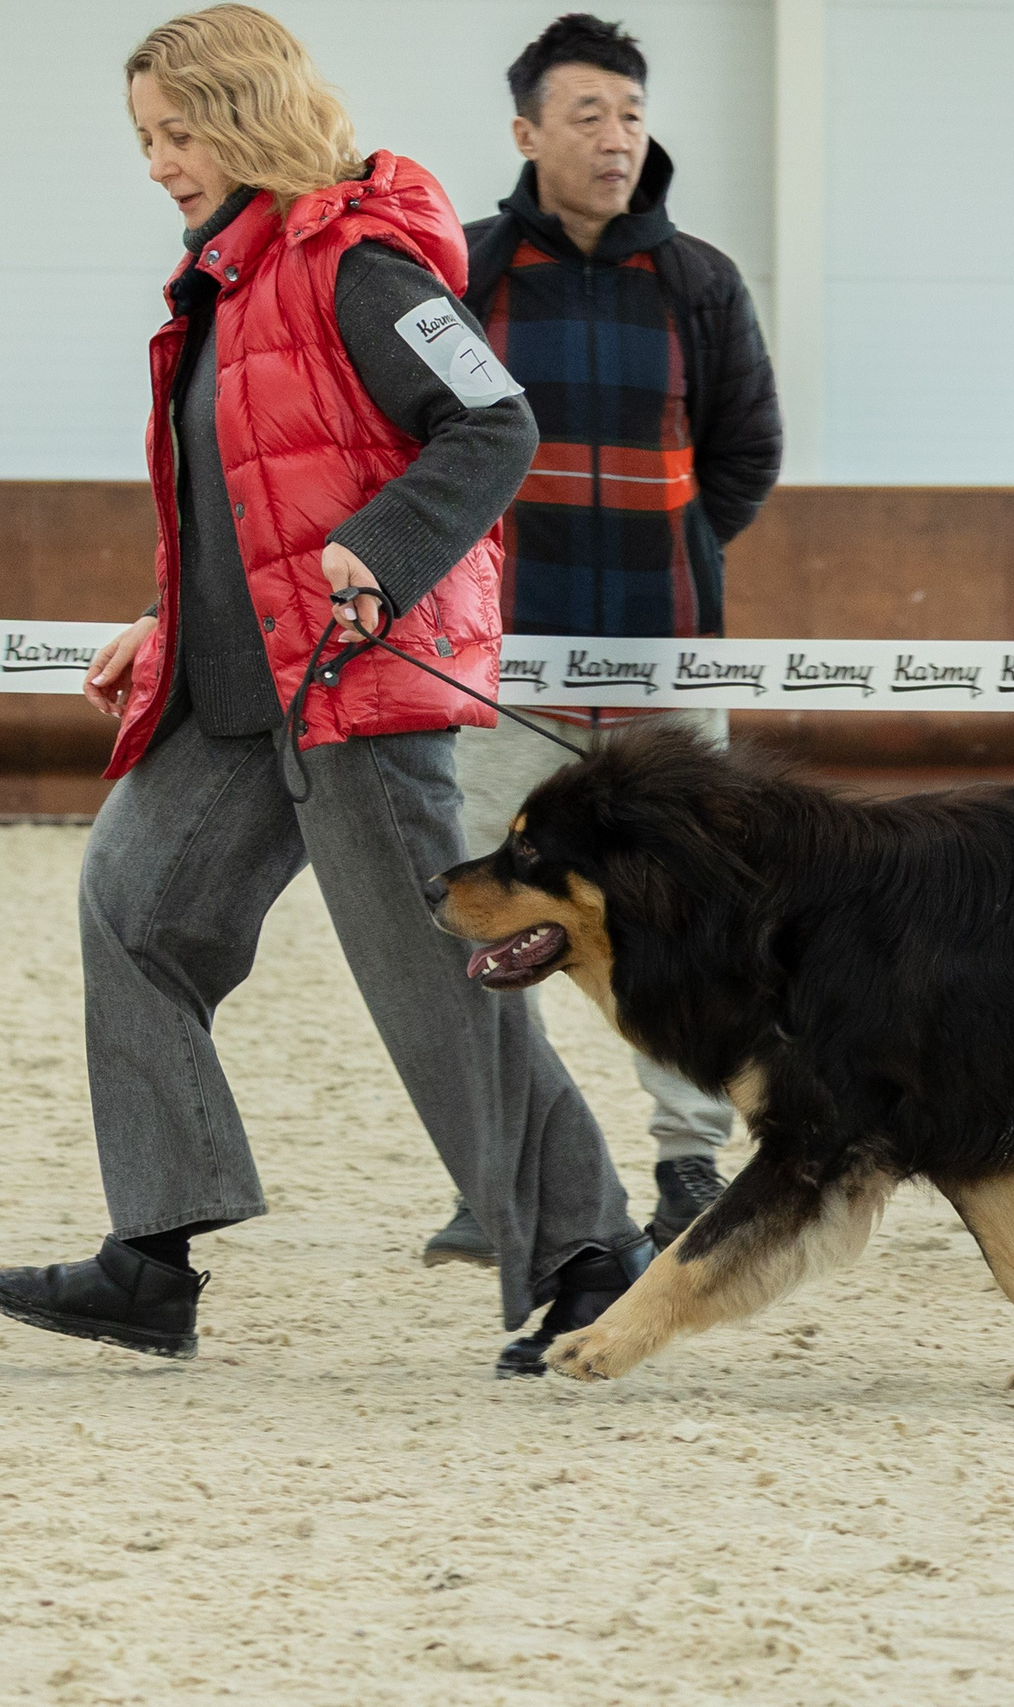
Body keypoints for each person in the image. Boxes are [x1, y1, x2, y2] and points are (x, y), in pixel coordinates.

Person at [0, 4, 654, 1380]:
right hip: (238, 694)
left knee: (433, 975)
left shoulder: (358, 263)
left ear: (244, 116)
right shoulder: (225, 282)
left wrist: (384, 553)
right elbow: (254, 495)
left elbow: (498, 424)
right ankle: (152, 1254)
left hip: (356, 682)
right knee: (133, 908)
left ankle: (590, 1251)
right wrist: (169, 620)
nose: (158, 163)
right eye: (145, 139)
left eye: (177, 133)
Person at [420, 13, 782, 1269]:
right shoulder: (460, 275)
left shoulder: (700, 281)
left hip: (666, 664)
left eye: (631, 114)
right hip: (497, 672)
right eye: (587, 115)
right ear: (526, 134)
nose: (616, 137)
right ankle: (499, 1177)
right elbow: (418, 441)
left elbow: (745, 454)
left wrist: (674, 556)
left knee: (690, 915)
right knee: (476, 912)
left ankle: (689, 1160)